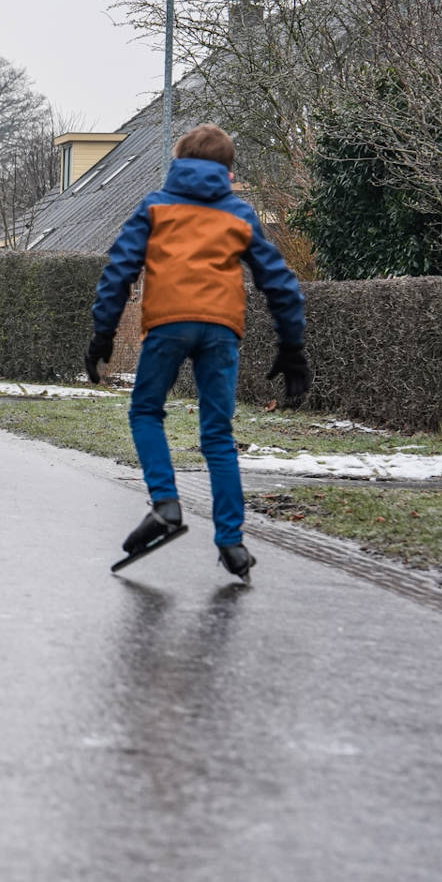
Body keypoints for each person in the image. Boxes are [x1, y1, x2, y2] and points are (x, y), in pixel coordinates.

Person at [86, 122, 309, 581]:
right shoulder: (239, 214)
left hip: (168, 325)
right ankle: (232, 543)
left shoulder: (155, 207)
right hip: (221, 330)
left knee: (146, 411)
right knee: (218, 437)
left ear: (179, 160)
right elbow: (279, 282)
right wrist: (293, 346)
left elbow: (119, 269)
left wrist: (103, 332)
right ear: (228, 171)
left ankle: (166, 503)